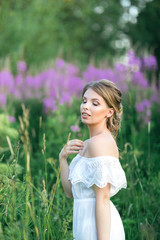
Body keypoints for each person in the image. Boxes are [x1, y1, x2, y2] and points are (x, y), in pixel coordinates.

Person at [59, 79, 127, 240]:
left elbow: (103, 198)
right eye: (84, 101)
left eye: (95, 103)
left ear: (109, 112)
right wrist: (62, 159)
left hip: (98, 230)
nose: (85, 106)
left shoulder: (100, 144)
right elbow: (70, 192)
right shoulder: (88, 144)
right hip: (84, 226)